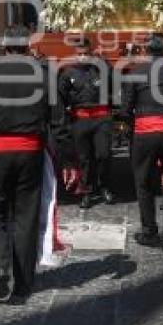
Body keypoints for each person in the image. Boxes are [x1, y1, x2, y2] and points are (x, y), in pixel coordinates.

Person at [0, 26, 76, 304]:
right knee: (26, 216)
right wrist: (68, 160)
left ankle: (1, 267)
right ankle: (23, 282)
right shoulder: (43, 74)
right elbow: (59, 122)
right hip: (29, 152)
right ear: (27, 45)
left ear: (4, 45)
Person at [121, 33, 163, 255]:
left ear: (145, 50)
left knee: (143, 183)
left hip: (145, 132)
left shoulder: (134, 73)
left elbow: (125, 109)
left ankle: (150, 231)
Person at [58, 39, 114, 209]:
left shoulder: (100, 69)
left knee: (103, 155)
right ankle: (86, 192)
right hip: (80, 119)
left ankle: (104, 186)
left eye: (86, 54)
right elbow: (60, 96)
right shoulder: (68, 73)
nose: (83, 57)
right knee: (84, 158)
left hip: (101, 118)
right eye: (79, 54)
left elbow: (113, 80)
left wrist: (103, 61)